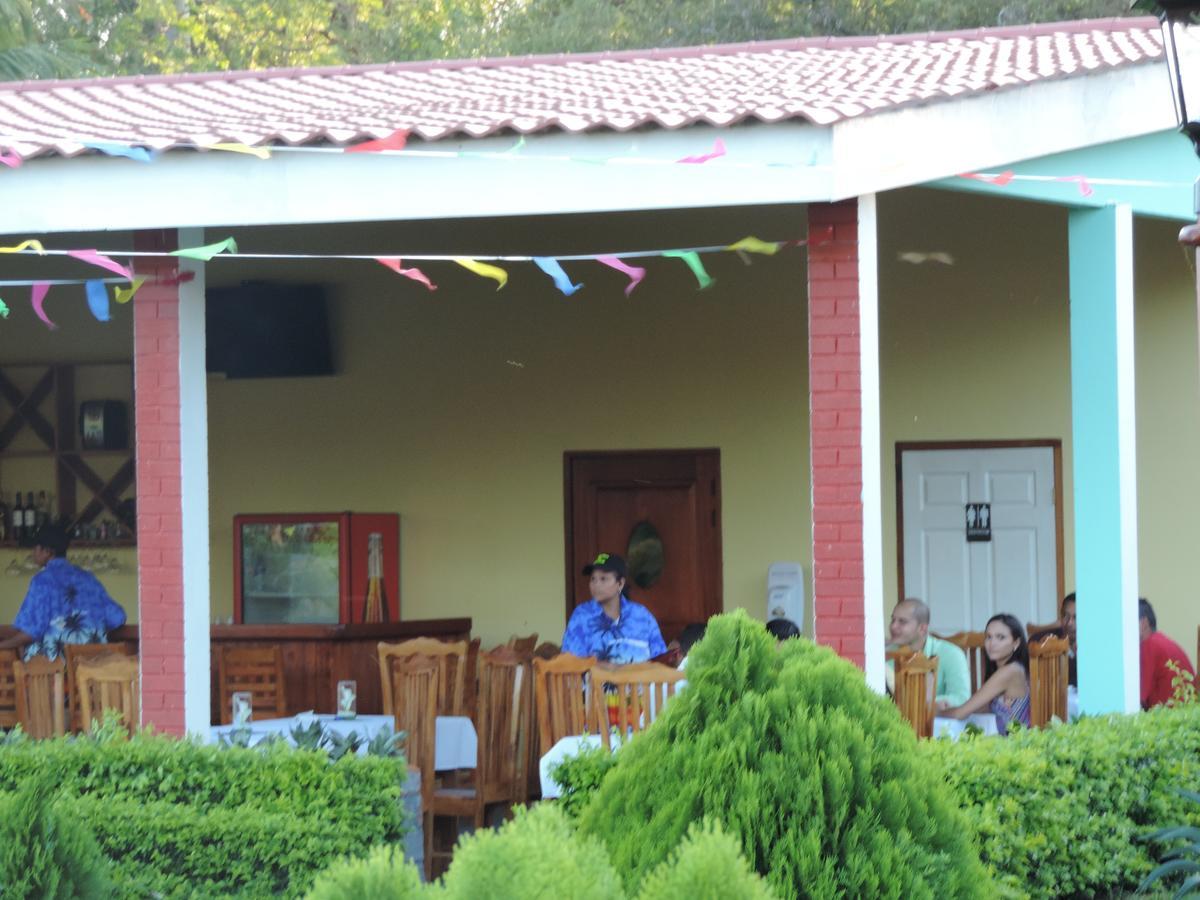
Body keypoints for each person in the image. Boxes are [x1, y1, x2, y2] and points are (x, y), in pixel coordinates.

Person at [0, 524, 126, 661]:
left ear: (47, 551)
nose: (33, 553)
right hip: (92, 664)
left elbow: (31, 631)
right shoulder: (88, 577)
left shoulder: (42, 580)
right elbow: (118, 616)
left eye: (35, 548)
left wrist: (4, 645)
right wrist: (88, 631)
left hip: (56, 667)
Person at [561, 552, 666, 664]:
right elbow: (570, 663)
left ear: (620, 583)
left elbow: (660, 660)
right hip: (594, 681)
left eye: (603, 579)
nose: (596, 585)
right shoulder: (581, 616)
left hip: (639, 680)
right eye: (593, 579)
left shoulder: (642, 616)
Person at [938, 613, 1030, 733]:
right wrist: (954, 708)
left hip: (1016, 747)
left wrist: (935, 711)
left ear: (1016, 643)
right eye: (989, 637)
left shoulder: (1010, 671)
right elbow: (982, 708)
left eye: (1001, 637)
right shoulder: (1012, 668)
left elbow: (960, 714)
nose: (992, 643)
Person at [886, 598, 970, 707]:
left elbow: (961, 698)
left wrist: (923, 702)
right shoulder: (887, 654)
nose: (893, 626)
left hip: (938, 721)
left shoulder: (951, 654)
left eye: (902, 622)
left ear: (922, 628)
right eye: (893, 620)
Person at [1139, 597, 1195, 709]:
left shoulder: (1148, 645)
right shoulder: (1162, 641)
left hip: (1169, 720)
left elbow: (1137, 699)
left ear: (1144, 623)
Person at [1034, 592, 1077, 688]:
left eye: (1076, 617)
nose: (1069, 623)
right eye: (1065, 616)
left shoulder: (1097, 646)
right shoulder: (1047, 640)